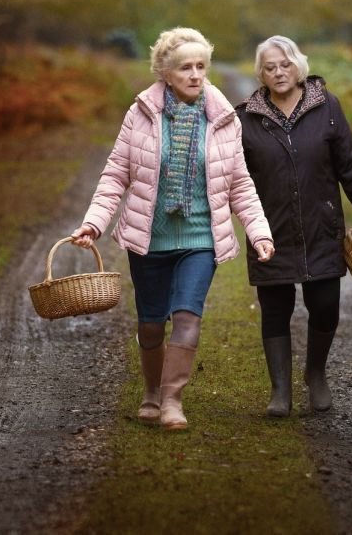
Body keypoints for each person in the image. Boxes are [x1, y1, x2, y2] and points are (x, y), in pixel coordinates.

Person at [72, 27, 275, 431]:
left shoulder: (223, 118)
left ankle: (171, 401)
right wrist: (94, 223)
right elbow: (116, 175)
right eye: (186, 67)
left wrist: (260, 232)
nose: (196, 75)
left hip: (201, 238)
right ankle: (150, 391)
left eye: (202, 66)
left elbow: (239, 183)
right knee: (150, 322)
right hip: (149, 239)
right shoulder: (141, 113)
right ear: (165, 71)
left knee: (187, 316)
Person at [236, 36, 352, 416]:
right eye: (269, 67)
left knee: (324, 305)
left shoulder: (327, 107)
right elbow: (232, 177)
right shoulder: (245, 117)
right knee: (274, 307)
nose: (278, 72)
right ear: (260, 73)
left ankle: (316, 372)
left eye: (285, 64)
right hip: (270, 230)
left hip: (320, 224)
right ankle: (280, 391)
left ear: (298, 66)